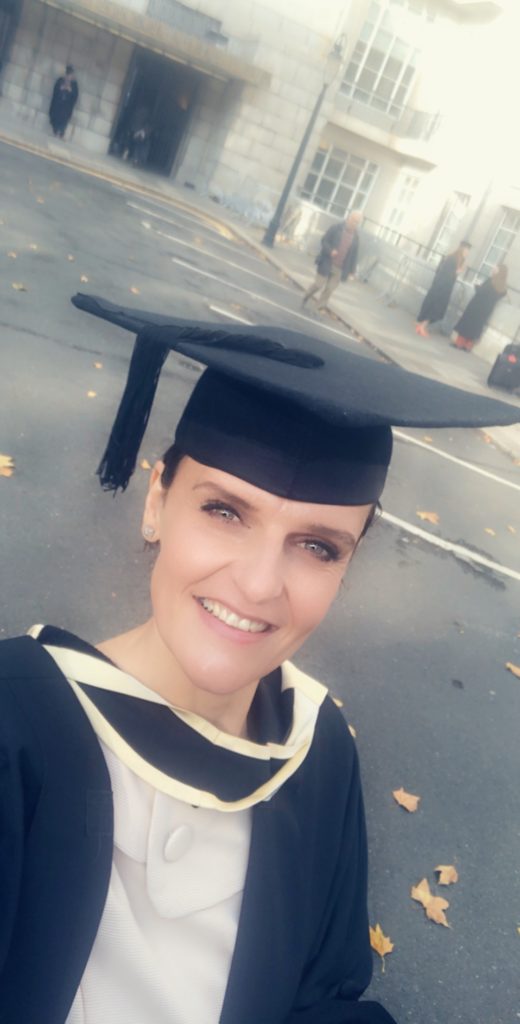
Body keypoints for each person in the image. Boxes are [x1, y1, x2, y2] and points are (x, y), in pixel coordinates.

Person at [1, 293, 519, 1024]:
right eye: (225, 510)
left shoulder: (319, 750)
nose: (257, 584)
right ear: (156, 502)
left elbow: (327, 997)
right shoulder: (15, 726)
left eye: (318, 546)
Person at [302, 210, 362, 311]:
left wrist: (352, 271)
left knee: (329, 290)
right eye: (354, 220)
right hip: (327, 262)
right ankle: (306, 296)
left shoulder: (356, 238)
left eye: (357, 222)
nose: (354, 223)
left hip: (340, 268)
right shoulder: (336, 228)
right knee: (318, 285)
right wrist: (330, 251)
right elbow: (324, 240)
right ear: (349, 218)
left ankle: (317, 309)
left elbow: (354, 255)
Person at [415, 240, 471, 337]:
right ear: (462, 249)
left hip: (441, 286)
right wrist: (457, 272)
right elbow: (446, 273)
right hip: (442, 288)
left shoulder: (454, 258)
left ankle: (421, 325)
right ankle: (422, 326)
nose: (468, 253)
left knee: (433, 306)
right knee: (435, 308)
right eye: (467, 251)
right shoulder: (453, 259)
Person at [452, 264, 508, 352]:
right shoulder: (502, 286)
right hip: (486, 309)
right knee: (476, 326)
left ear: (499, 271)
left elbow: (481, 291)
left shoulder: (490, 281)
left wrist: (476, 286)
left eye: (495, 268)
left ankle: (459, 343)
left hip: (477, 305)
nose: (493, 269)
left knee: (466, 323)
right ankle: (467, 346)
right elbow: (502, 294)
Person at [49, 64, 79, 138]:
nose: (69, 77)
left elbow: (75, 96)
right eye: (68, 74)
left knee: (64, 120)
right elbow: (55, 91)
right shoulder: (60, 80)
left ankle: (61, 133)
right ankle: (55, 131)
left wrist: (70, 90)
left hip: (66, 107)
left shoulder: (74, 84)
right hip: (58, 104)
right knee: (55, 118)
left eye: (70, 75)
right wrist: (61, 88)